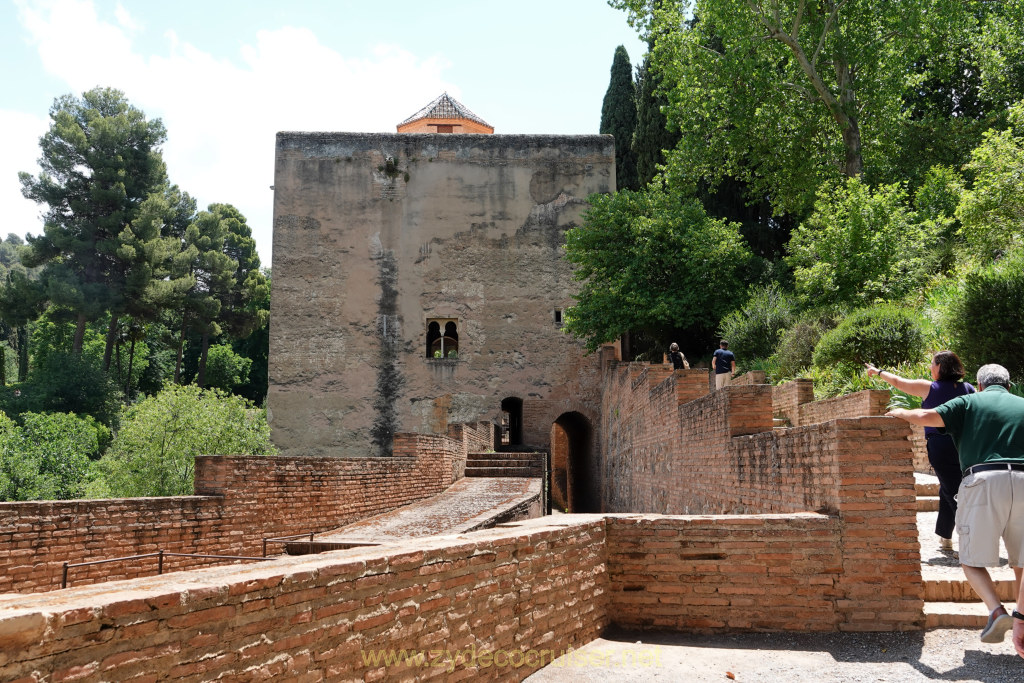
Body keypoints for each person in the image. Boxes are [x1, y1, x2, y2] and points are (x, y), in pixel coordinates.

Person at [887, 364, 1024, 645]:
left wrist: (900, 413)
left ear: (980, 384)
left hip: (983, 478)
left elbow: (928, 416)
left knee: (970, 560)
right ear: (1009, 386)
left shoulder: (969, 401)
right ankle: (1021, 616)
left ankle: (996, 611)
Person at [865, 352, 975, 552]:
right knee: (949, 487)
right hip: (965, 446)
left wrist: (877, 372)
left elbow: (898, 382)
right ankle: (945, 535)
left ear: (940, 366)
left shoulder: (929, 388)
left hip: (941, 446)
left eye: (932, 364)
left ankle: (973, 536)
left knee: (952, 491)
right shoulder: (968, 388)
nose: (930, 368)